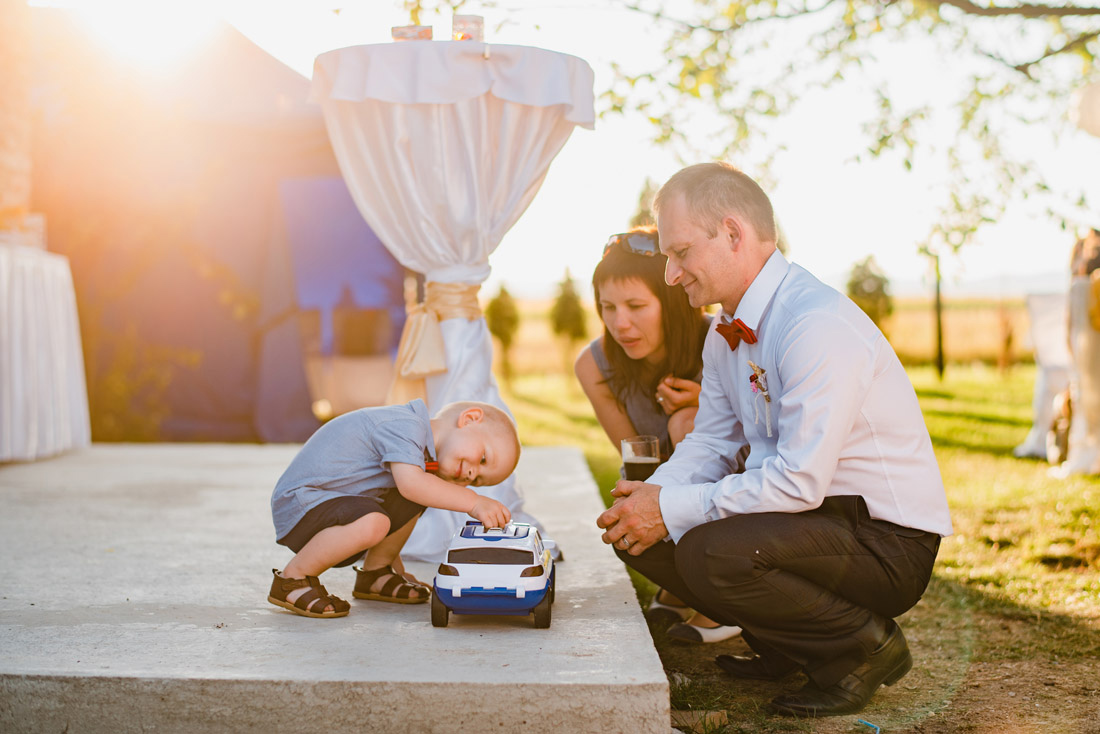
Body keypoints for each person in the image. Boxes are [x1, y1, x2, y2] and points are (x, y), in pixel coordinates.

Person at [596, 162, 952, 717]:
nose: (671, 274)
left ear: (733, 234)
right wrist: (649, 499)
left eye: (681, 253)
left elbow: (799, 481)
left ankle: (862, 648)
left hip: (882, 539)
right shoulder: (724, 331)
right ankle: (789, 645)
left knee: (712, 550)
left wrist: (671, 507)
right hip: (812, 522)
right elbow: (710, 442)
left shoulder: (815, 324)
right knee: (643, 536)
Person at [574, 228, 741, 644]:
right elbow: (636, 455)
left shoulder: (719, 339)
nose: (620, 323)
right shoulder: (594, 364)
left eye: (635, 306)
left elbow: (756, 429)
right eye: (607, 307)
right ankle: (680, 581)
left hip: (741, 491)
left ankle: (719, 597)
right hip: (662, 477)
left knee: (684, 422)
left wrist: (705, 403)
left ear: (668, 302)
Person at [268, 399, 518, 618]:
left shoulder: (420, 456)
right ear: (470, 419)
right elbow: (411, 485)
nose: (473, 473)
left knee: (415, 496)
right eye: (484, 458)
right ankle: (293, 579)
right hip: (302, 503)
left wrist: (394, 564)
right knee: (379, 518)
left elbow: (407, 495)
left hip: (332, 503)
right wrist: (474, 501)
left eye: (477, 480)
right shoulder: (405, 425)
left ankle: (376, 573)